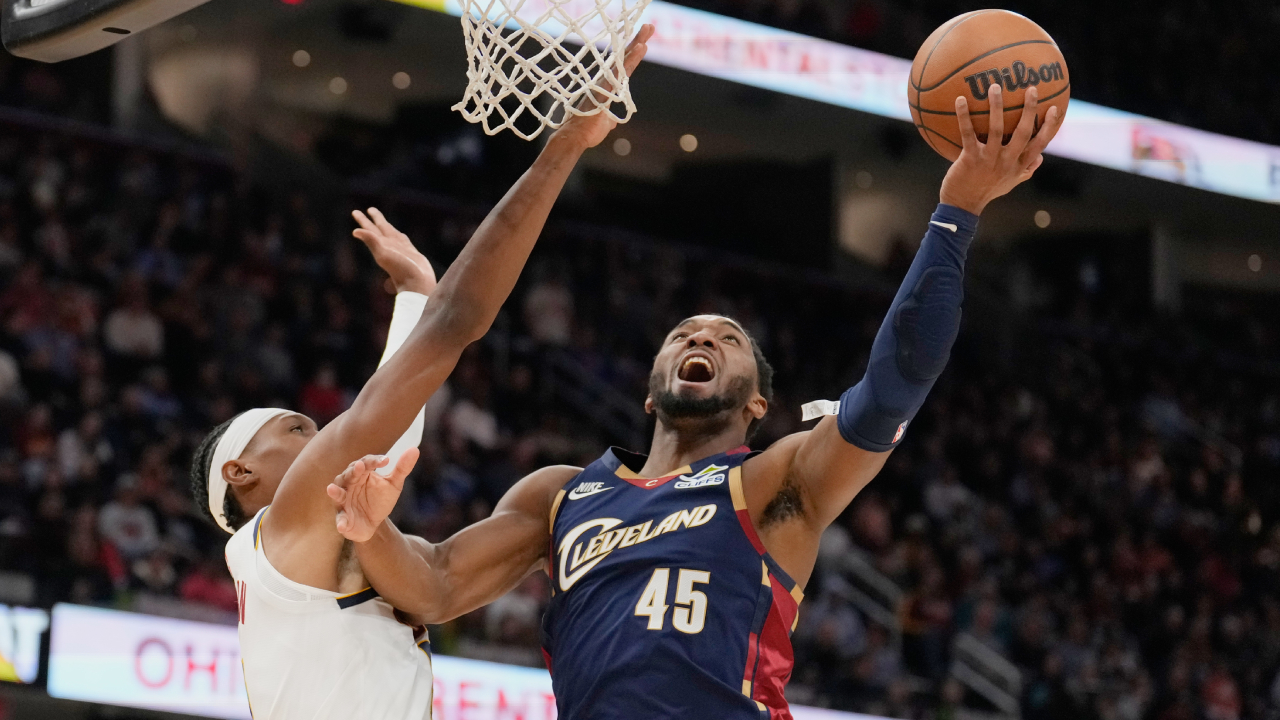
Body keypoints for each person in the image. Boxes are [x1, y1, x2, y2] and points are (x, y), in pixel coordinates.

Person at [329, 83, 1065, 719]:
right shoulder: (560, 497)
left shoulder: (777, 484)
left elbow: (897, 382)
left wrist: (956, 212)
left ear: (755, 404)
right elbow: (436, 585)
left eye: (727, 339)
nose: (700, 339)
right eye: (684, 334)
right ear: (651, 392)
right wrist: (369, 530)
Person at [186, 26, 655, 720]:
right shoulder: (278, 532)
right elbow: (449, 337)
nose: (321, 436)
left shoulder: (312, 561)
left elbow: (394, 434)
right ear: (240, 473)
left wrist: (414, 295)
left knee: (562, 501)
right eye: (297, 429)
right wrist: (564, 146)